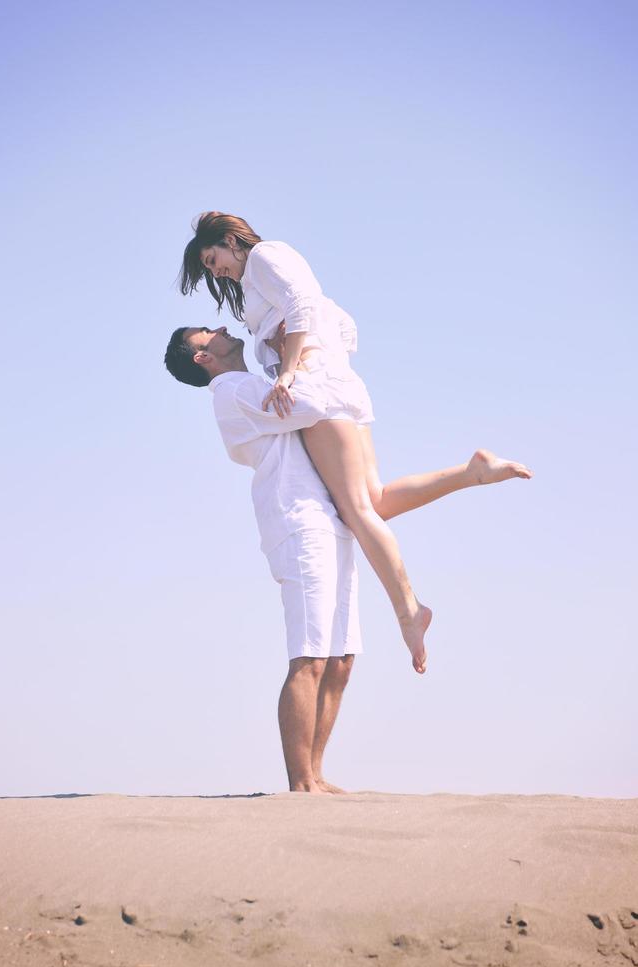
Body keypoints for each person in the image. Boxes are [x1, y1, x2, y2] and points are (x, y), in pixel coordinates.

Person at [165, 323, 532, 793]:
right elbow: (314, 405)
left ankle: (316, 773)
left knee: (341, 659)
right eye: (208, 333)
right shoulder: (232, 390)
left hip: (329, 517)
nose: (221, 329)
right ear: (202, 358)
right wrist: (299, 357)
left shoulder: (252, 381)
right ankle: (301, 783)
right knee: (311, 658)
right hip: (299, 522)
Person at [179, 212, 532, 674]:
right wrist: (320, 351)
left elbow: (305, 303)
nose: (215, 271)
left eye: (213, 259)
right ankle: (473, 472)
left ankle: (409, 612)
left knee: (357, 512)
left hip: (315, 388)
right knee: (374, 502)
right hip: (335, 383)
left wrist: (293, 366)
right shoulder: (257, 282)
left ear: (230, 241)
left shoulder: (266, 255)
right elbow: (341, 322)